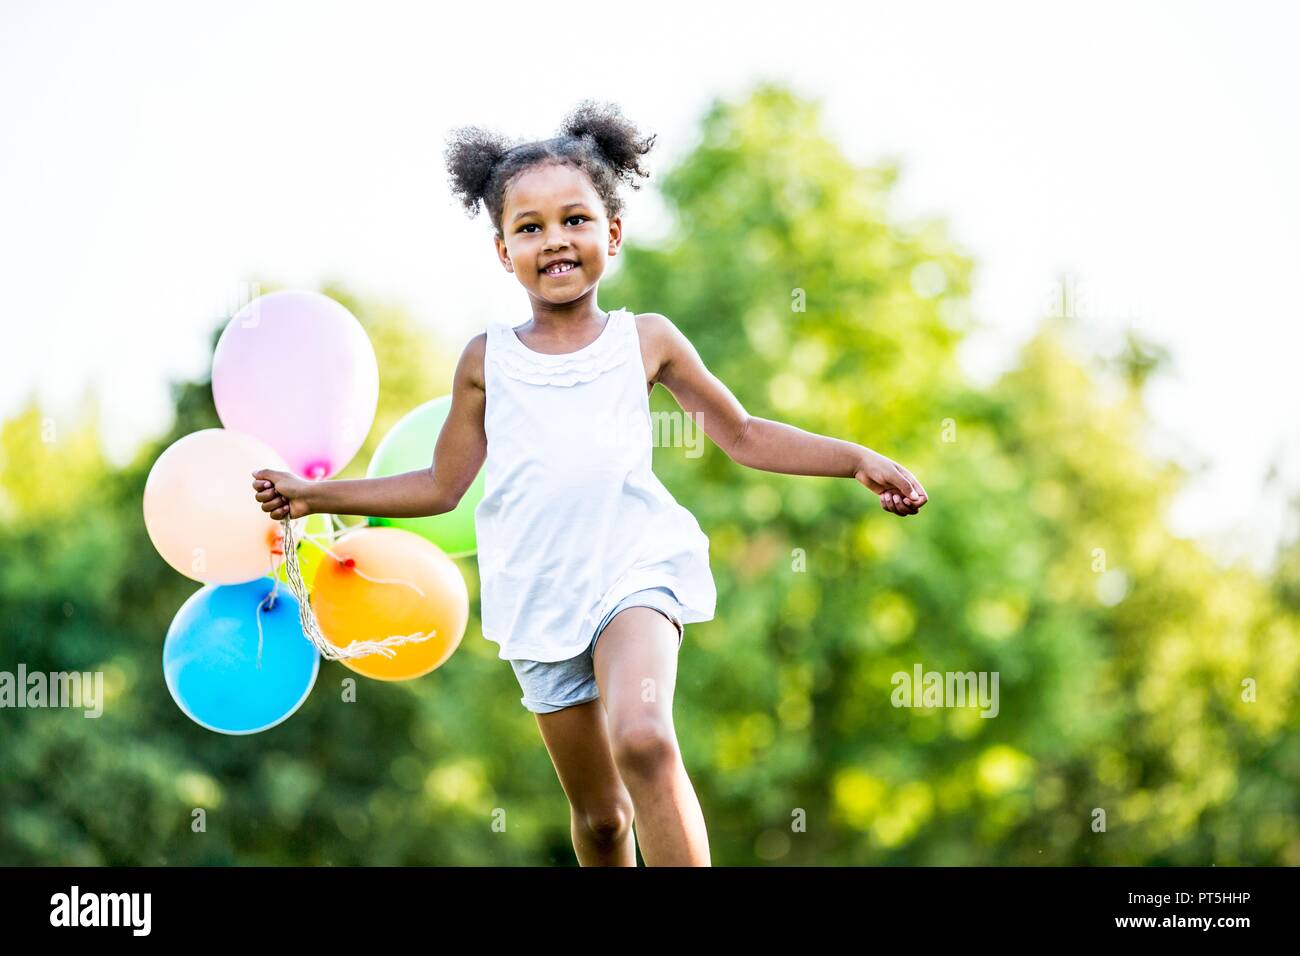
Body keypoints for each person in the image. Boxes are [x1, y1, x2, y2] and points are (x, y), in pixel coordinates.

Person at [251, 99, 928, 867]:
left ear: (610, 233)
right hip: (538, 593)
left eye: (574, 220)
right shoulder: (485, 361)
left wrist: (856, 458)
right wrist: (314, 496)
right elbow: (442, 487)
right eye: (529, 228)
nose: (555, 241)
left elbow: (742, 435)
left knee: (643, 738)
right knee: (603, 821)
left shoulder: (647, 340)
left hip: (633, 570)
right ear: (504, 251)